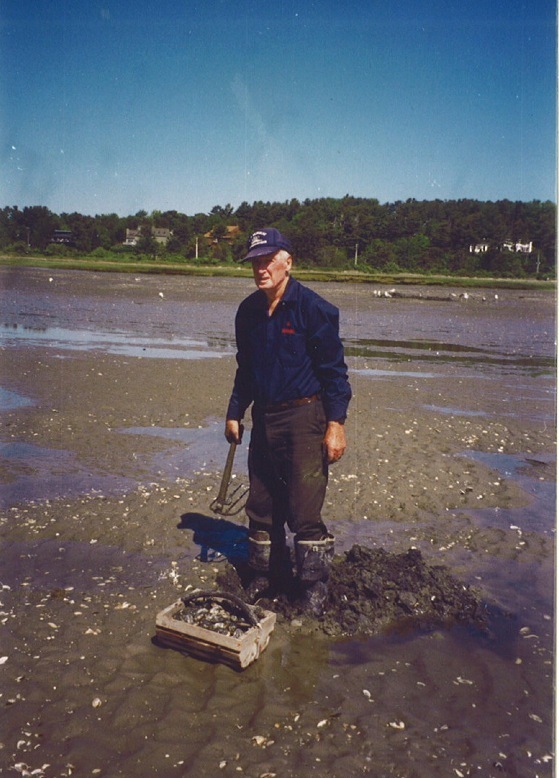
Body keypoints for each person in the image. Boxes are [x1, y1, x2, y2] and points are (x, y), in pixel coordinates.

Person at [225, 227, 352, 615]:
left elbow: (335, 373)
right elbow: (245, 368)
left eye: (267, 261)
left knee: (303, 507)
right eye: (255, 263)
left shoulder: (313, 309)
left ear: (287, 262)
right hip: (264, 417)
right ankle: (265, 575)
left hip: (304, 417)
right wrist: (234, 411)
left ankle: (313, 586)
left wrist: (336, 424)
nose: (260, 269)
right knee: (261, 504)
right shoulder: (247, 312)